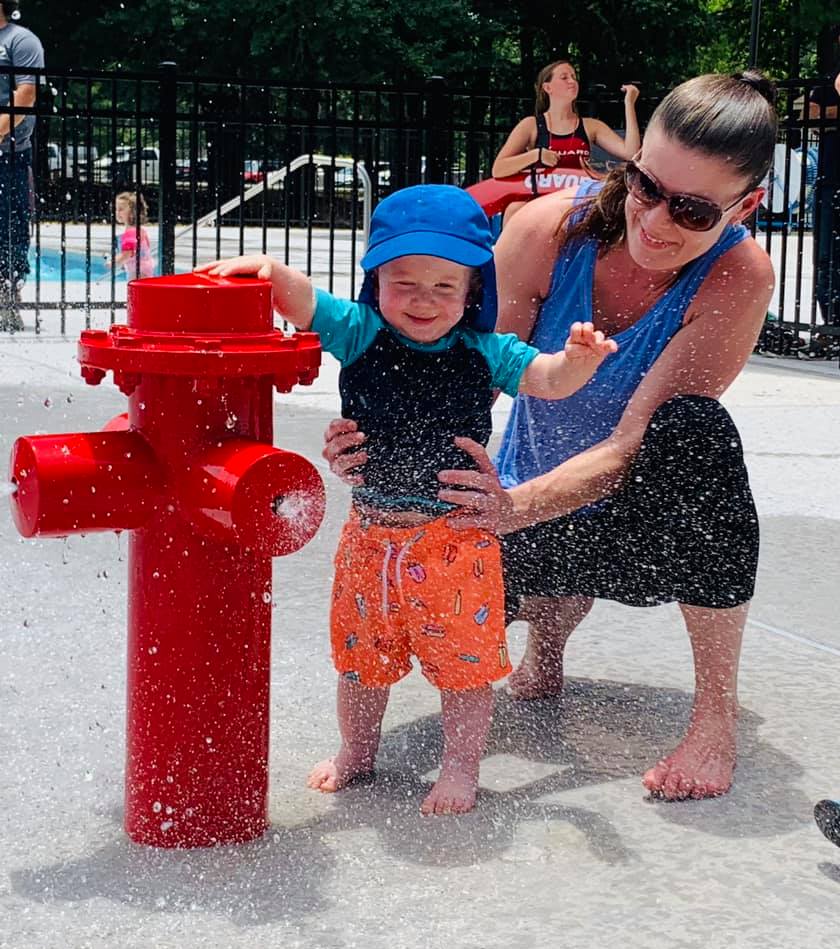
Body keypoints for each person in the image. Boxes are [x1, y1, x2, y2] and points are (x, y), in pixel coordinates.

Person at [323, 72, 778, 803]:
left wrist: (509, 510)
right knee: (431, 615)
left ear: (745, 206)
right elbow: (444, 370)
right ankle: (547, 643)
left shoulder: (738, 273)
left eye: (691, 210)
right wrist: (373, 444)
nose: (655, 222)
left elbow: (634, 442)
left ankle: (714, 718)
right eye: (643, 185)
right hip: (520, 518)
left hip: (629, 526)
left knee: (699, 435)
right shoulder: (545, 230)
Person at [197, 185, 617, 816]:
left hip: (455, 539)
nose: (424, 300)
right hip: (370, 535)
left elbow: (550, 380)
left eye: (445, 286)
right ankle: (356, 752)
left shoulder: (488, 351)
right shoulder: (360, 332)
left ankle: (459, 769)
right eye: (405, 282)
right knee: (360, 663)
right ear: (376, 281)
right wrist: (267, 271)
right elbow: (305, 302)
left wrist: (580, 361)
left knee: (466, 671)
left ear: (473, 291)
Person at [490, 60, 640, 222]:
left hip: (576, 202)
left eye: (574, 77)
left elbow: (630, 152)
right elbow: (499, 169)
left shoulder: (591, 126)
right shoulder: (531, 125)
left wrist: (629, 104)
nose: (572, 81)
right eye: (564, 77)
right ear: (547, 88)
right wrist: (536, 155)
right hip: (540, 200)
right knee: (515, 208)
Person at [0, 0, 43, 332]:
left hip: (10, 152)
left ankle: (6, 298)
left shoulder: (20, 40)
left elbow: (25, 95)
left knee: (10, 226)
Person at [808, 33, 840, 331]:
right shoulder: (828, 81)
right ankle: (832, 323)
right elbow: (812, 114)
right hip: (831, 178)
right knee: (826, 254)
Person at [111, 191, 155, 280]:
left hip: (138, 272)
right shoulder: (140, 230)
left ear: (132, 212)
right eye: (116, 209)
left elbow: (128, 253)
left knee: (134, 292)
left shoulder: (130, 233)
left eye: (121, 209)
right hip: (145, 270)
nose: (117, 212)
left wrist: (114, 261)